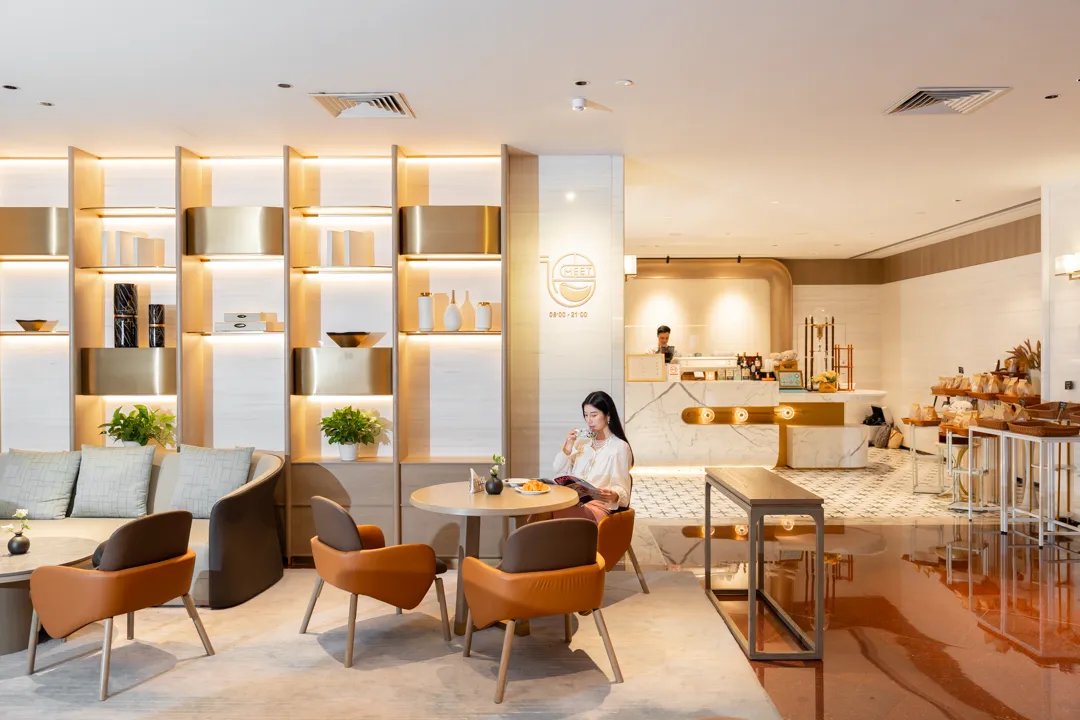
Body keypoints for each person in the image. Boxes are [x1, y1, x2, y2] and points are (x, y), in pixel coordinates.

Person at [550, 390, 634, 523]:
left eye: (594, 415)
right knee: (540, 508)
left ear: (607, 415)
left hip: (597, 507)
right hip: (573, 501)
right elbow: (557, 471)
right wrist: (568, 447)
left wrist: (614, 495)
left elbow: (622, 489)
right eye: (586, 415)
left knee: (555, 510)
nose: (589, 421)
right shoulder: (581, 442)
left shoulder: (619, 447)